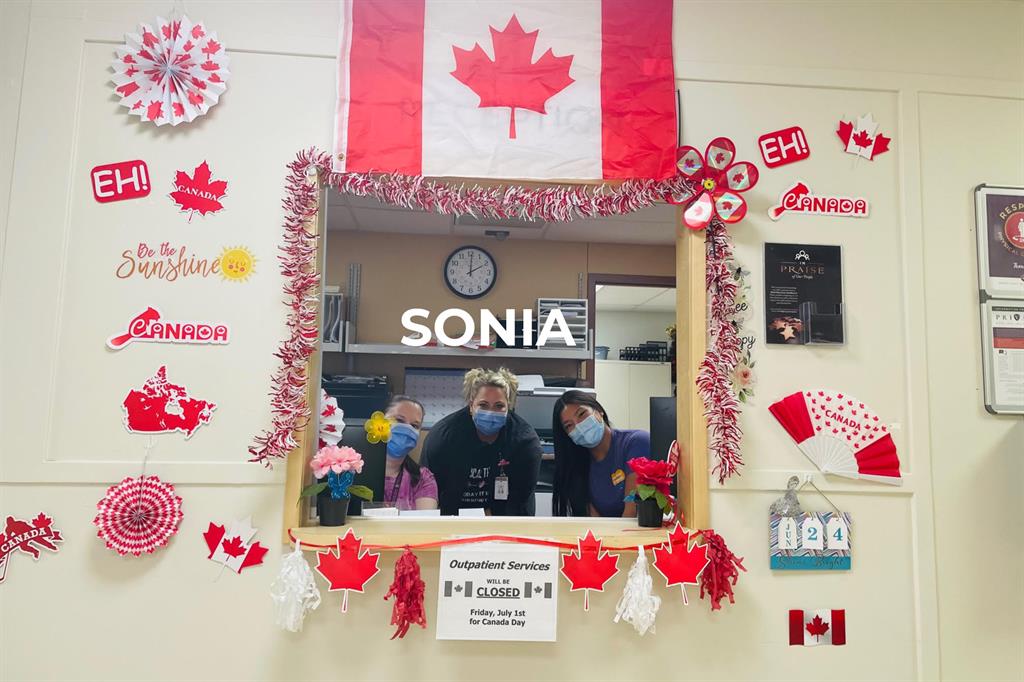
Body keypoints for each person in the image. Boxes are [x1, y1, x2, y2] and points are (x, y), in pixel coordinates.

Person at [421, 368, 542, 516]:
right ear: (471, 406)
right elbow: (428, 490)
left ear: (509, 407)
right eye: (483, 405)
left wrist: (489, 519)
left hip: (508, 518)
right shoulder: (443, 438)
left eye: (499, 406)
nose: (491, 412)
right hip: (454, 518)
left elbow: (521, 497)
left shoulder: (525, 441)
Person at [551, 390, 651, 517]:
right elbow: (594, 523)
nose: (579, 426)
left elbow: (631, 513)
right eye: (569, 425)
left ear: (599, 411)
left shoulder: (636, 443)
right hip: (604, 534)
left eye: (582, 414)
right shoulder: (577, 467)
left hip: (634, 534)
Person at [382, 395, 438, 511]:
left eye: (414, 425)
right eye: (399, 420)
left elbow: (425, 524)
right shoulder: (349, 469)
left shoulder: (423, 478)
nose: (407, 429)